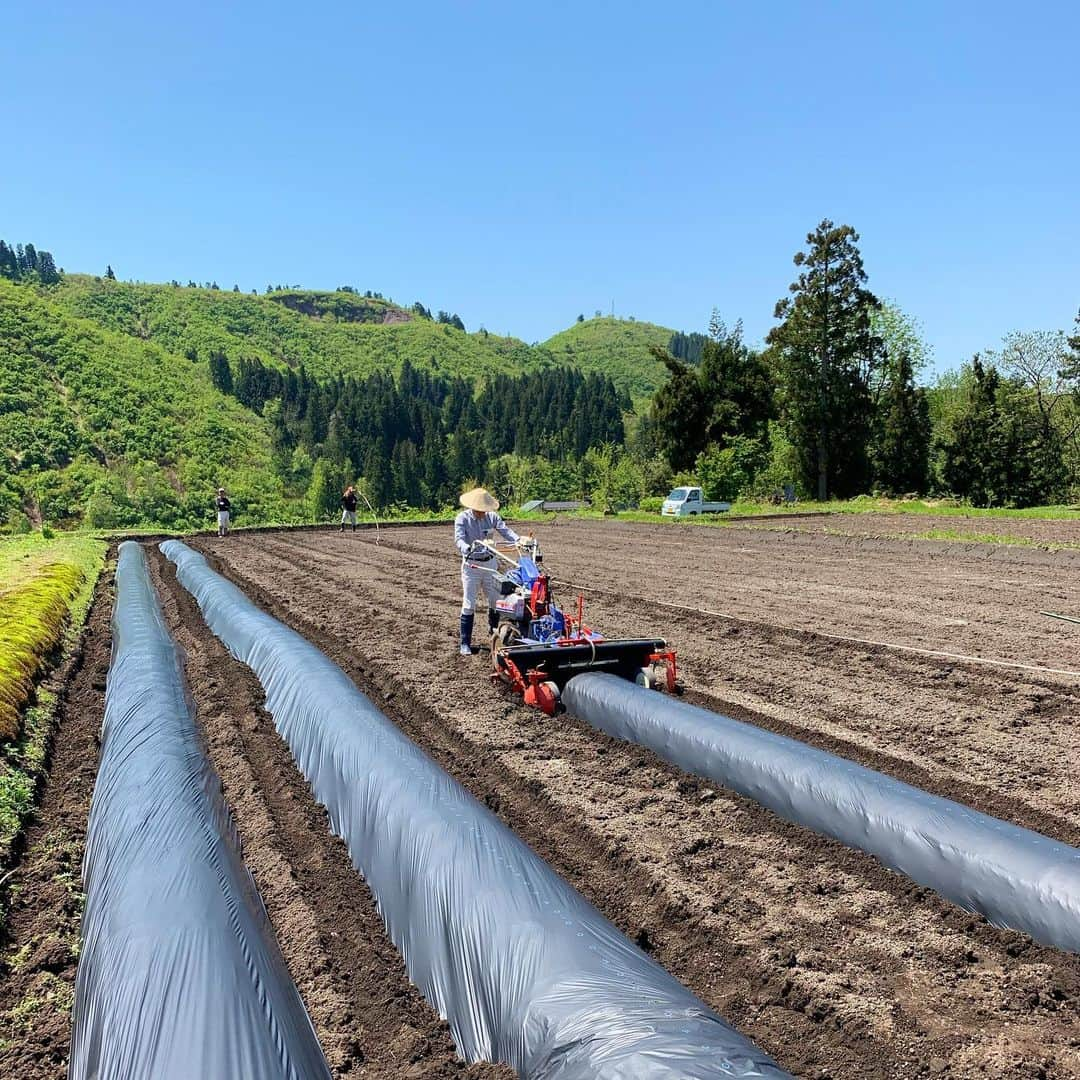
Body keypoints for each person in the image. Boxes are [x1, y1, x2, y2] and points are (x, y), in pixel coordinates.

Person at [454, 487, 521, 655]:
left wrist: (519, 540)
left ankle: (492, 631)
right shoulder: (462, 518)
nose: (483, 513)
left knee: (495, 601)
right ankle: (465, 643)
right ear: (473, 507)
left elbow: (505, 531)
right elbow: (459, 538)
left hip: (490, 564)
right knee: (469, 604)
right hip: (472, 566)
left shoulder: (492, 517)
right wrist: (467, 548)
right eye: (480, 510)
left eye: (485, 510)